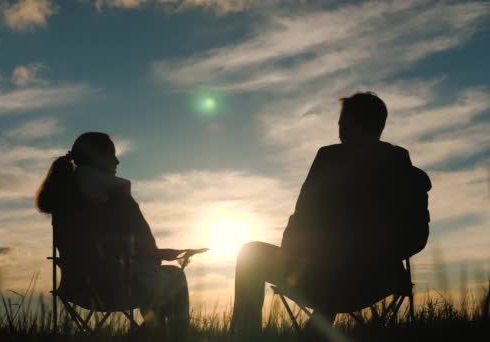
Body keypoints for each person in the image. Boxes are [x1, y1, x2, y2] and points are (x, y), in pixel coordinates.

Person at [230, 92, 431, 336]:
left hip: (320, 280)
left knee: (251, 253)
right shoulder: (404, 169)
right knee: (331, 264)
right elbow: (417, 236)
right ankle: (317, 330)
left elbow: (302, 219)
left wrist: (292, 255)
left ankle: (243, 335)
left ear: (354, 122)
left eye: (342, 120)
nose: (338, 126)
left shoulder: (329, 159)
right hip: (379, 282)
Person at [36, 132, 189, 329]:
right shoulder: (116, 195)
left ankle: (153, 331)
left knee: (157, 280)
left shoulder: (64, 193)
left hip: (77, 288)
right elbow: (132, 246)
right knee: (175, 276)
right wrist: (159, 254)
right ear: (96, 158)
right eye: (111, 155)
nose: (117, 161)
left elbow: (104, 247)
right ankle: (169, 333)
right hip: (116, 288)